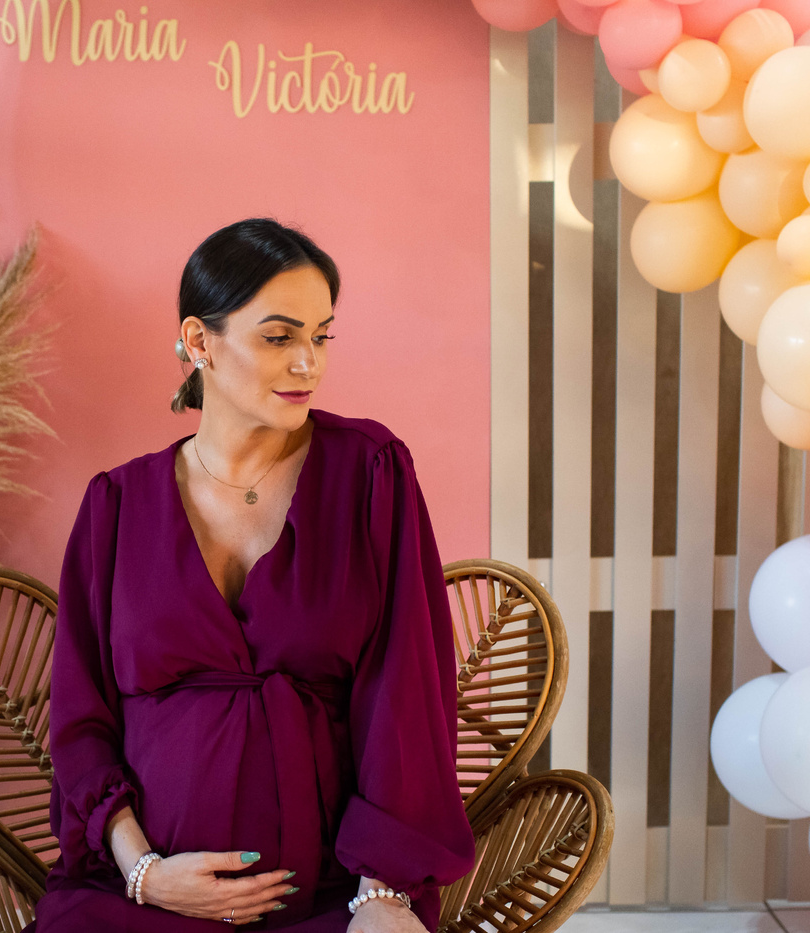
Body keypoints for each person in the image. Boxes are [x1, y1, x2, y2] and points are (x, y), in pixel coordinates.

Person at [26, 219, 475, 932]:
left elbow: (407, 694)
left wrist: (381, 891)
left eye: (321, 336)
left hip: (336, 895)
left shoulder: (370, 472)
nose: (308, 363)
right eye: (278, 337)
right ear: (200, 341)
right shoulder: (115, 504)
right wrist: (145, 872)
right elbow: (81, 720)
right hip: (140, 894)